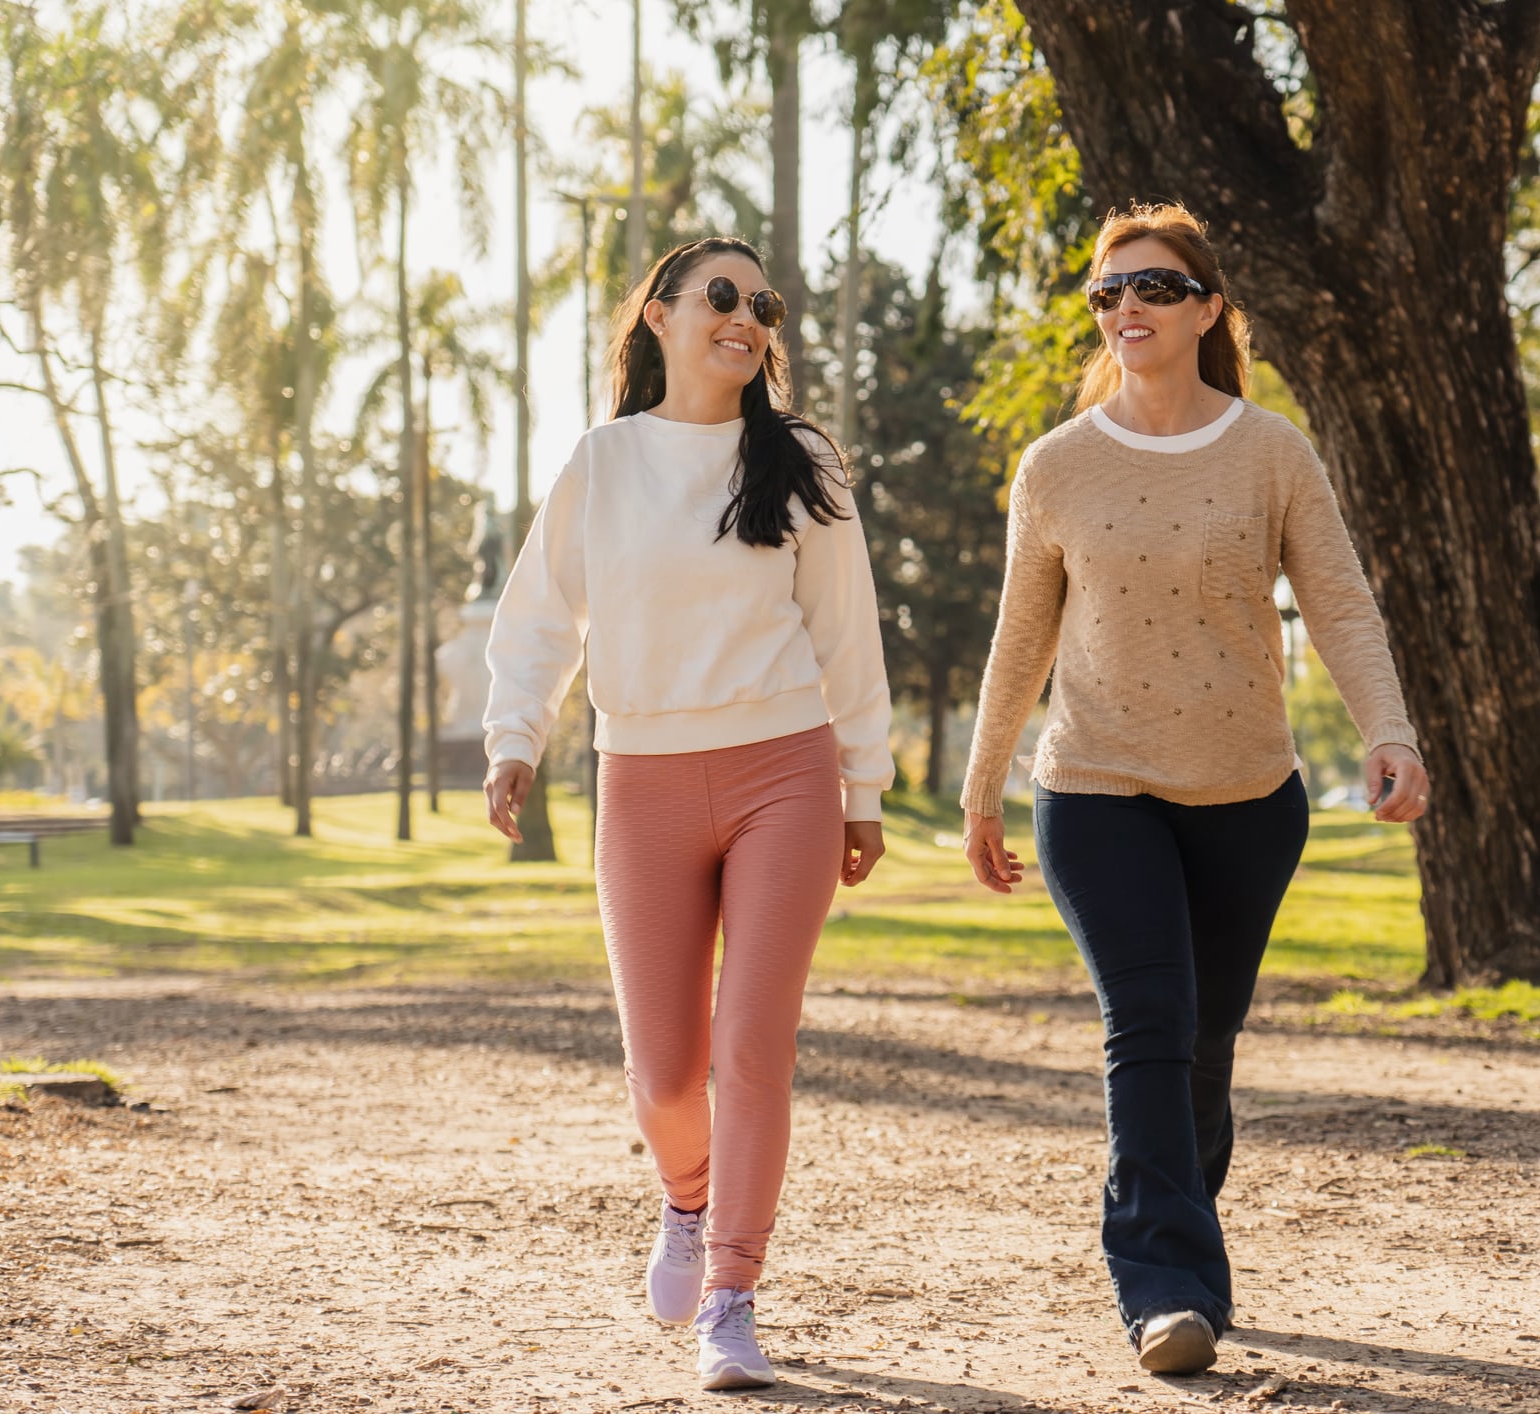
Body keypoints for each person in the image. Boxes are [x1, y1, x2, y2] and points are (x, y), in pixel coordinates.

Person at [958, 203, 1428, 1376]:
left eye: (1155, 287)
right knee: (1149, 1024)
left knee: (1204, 1035)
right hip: (1097, 785)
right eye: (1107, 292)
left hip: (1246, 794)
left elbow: (1340, 604)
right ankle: (1167, 1286)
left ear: (1210, 309)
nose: (1127, 308)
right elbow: (1021, 641)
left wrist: (1391, 730)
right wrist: (980, 791)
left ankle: (1177, 1207)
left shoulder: (1272, 451)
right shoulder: (1056, 465)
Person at [480, 237, 894, 1393]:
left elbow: (845, 633)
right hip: (646, 779)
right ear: (658, 315)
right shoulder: (603, 463)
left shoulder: (801, 459)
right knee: (666, 1074)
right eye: (722, 295)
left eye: (762, 303)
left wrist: (863, 787)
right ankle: (687, 1197)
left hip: (785, 775)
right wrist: (517, 739)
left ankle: (732, 1293)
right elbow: (538, 621)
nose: (746, 317)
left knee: (752, 1046)